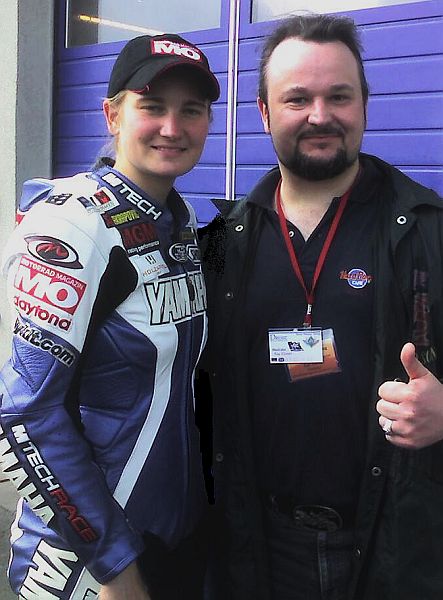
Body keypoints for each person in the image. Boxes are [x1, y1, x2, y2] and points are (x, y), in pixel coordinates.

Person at [200, 13, 443, 600]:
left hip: (395, 549)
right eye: (297, 99)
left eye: (339, 96)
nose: (320, 115)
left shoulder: (427, 231)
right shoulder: (223, 245)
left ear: (364, 105)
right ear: (264, 112)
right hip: (257, 550)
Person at [0, 32, 219, 600]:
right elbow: (23, 413)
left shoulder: (180, 221)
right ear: (113, 116)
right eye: (153, 106)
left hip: (171, 538)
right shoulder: (73, 223)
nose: (172, 127)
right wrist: (115, 566)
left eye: (191, 110)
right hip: (87, 562)